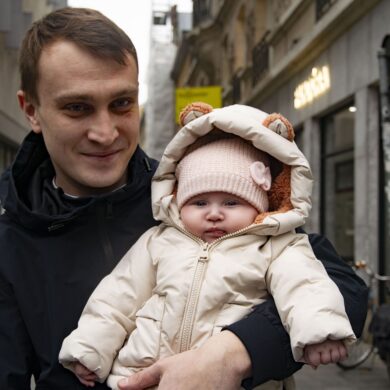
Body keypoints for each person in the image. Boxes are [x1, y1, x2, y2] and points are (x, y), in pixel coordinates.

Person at [0, 6, 367, 390]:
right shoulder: (11, 244)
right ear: (32, 111)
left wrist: (233, 353)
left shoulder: (195, 192)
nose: (106, 132)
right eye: (78, 108)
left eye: (122, 103)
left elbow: (342, 287)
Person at [59, 102, 356, 390]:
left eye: (232, 202)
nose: (214, 213)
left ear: (261, 204)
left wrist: (321, 331)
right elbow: (118, 297)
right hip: (144, 376)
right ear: (178, 200)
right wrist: (90, 348)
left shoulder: (276, 246)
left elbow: (305, 284)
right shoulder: (158, 241)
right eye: (199, 202)